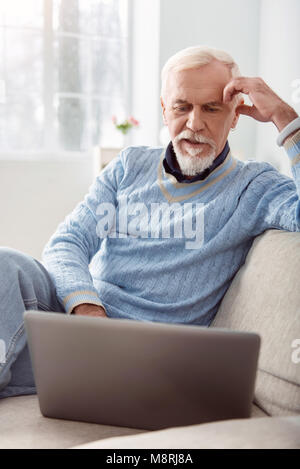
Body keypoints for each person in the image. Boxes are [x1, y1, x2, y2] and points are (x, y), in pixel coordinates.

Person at [0, 45, 300, 399]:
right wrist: (88, 311)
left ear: (235, 115)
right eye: (182, 107)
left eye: (211, 108)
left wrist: (286, 119)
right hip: (80, 324)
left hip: (142, 355)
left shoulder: (255, 187)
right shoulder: (129, 167)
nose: (194, 123)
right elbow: (68, 242)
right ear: (164, 110)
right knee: (7, 264)